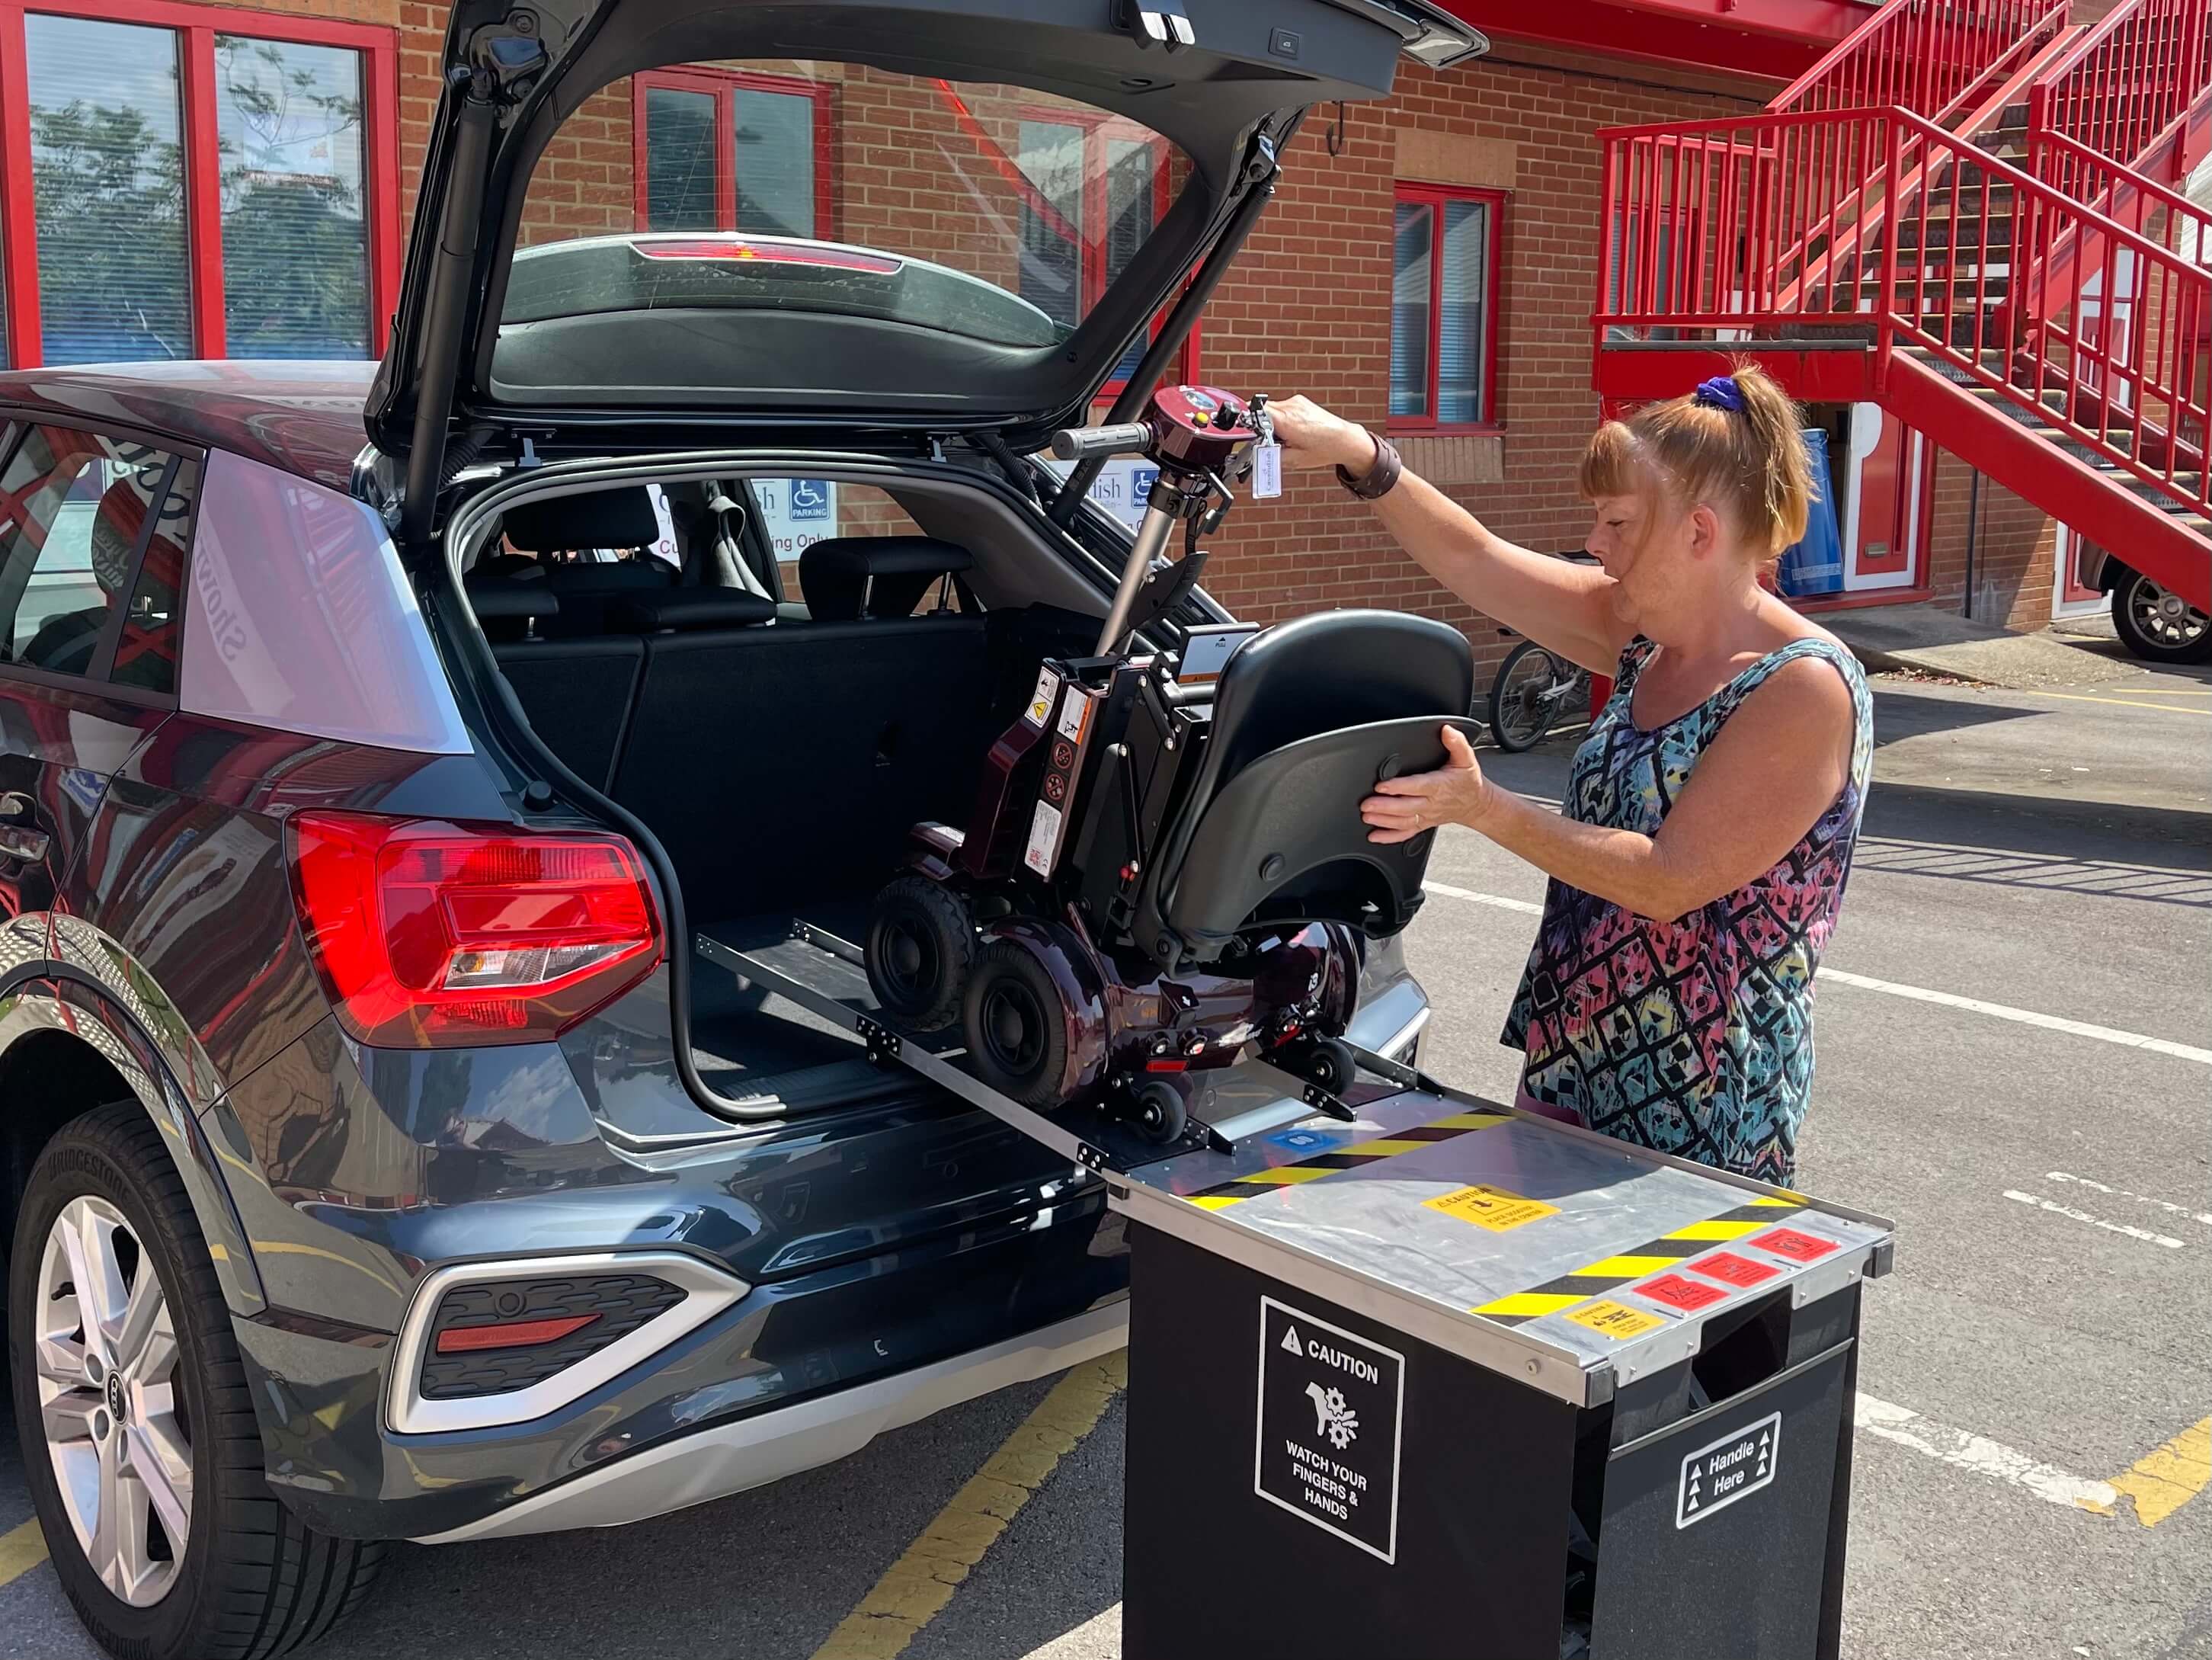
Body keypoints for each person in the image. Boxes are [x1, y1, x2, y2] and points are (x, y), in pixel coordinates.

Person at [1266, 366, 1871, 1184]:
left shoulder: (1801, 686)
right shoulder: (1642, 637)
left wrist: (1483, 808)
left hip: (1699, 1097)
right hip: (1573, 1053)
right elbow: (1477, 559)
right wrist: (1363, 457)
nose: (1596, 544)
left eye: (1617, 522)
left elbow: (1668, 881)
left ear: (1698, 533)